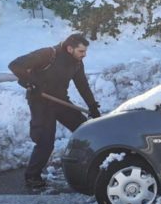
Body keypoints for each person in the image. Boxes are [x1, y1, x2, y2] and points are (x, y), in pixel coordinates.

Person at [9, 34, 101, 188]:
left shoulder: (77, 62)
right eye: (81, 51)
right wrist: (31, 84)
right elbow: (15, 65)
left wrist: (92, 106)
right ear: (69, 48)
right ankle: (32, 177)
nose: (84, 55)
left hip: (60, 100)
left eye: (85, 52)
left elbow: (82, 85)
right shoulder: (48, 54)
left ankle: (95, 166)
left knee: (85, 129)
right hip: (41, 102)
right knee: (45, 142)